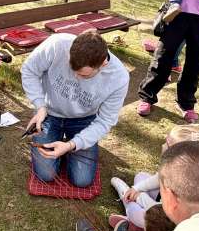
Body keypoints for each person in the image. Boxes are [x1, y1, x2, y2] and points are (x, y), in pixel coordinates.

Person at [21, 31, 129, 187]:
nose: (76, 77)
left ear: (103, 64)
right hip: (49, 114)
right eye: (72, 70)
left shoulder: (119, 78)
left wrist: (71, 145)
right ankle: (60, 146)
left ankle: (68, 147)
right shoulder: (58, 44)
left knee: (82, 180)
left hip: (84, 120)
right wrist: (40, 106)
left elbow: (105, 121)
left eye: (84, 75)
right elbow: (29, 70)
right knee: (46, 175)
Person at [108, 122, 199, 231]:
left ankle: (126, 198)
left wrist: (138, 196)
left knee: (134, 213)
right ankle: (144, 224)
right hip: (160, 206)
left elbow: (160, 210)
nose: (162, 145)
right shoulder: (178, 168)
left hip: (167, 221)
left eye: (167, 143)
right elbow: (159, 178)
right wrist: (136, 188)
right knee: (141, 176)